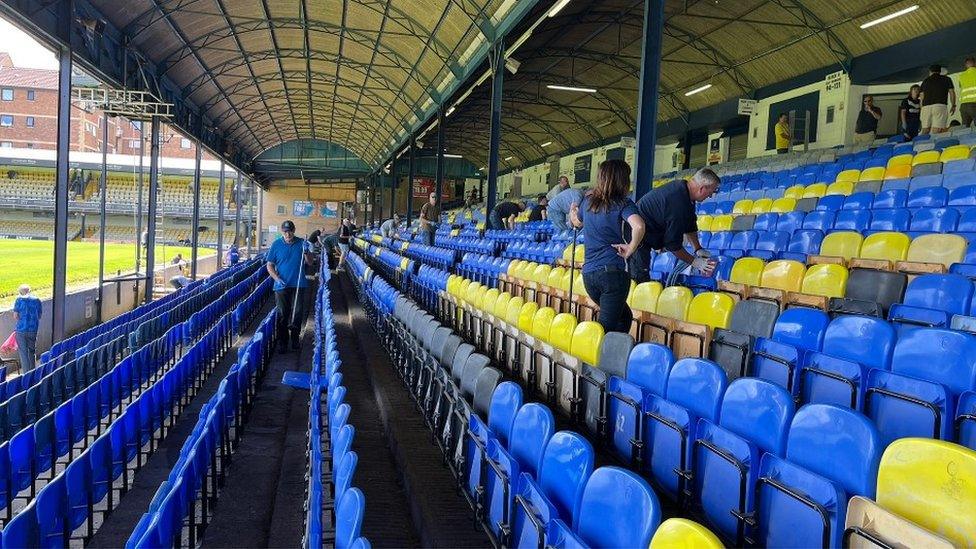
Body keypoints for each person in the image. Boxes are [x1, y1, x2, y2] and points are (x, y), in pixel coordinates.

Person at [568, 160, 645, 333]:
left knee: (624, 317)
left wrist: (573, 210)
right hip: (612, 275)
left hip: (589, 276)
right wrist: (630, 248)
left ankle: (615, 355)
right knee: (604, 329)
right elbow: (639, 226)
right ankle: (594, 358)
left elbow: (576, 222)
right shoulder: (623, 204)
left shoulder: (588, 203)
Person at [632, 168, 721, 285]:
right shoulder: (677, 203)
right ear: (702, 188)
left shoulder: (684, 189)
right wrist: (694, 262)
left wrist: (698, 248)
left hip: (651, 230)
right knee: (640, 276)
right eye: (711, 192)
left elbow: (690, 224)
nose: (710, 196)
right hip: (638, 235)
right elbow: (673, 245)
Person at [266, 220, 312, 352]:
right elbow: (269, 265)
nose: (288, 234)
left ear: (294, 230)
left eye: (290, 231)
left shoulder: (301, 244)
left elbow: (309, 262)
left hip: (299, 284)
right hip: (281, 285)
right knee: (282, 314)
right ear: (282, 231)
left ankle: (295, 338)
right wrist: (276, 278)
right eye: (285, 231)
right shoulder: (276, 245)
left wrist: (306, 252)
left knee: (297, 312)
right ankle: (283, 341)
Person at [919, 64, 956, 135]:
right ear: (940, 71)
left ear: (930, 71)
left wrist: (922, 108)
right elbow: (951, 92)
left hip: (926, 107)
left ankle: (922, 144)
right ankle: (934, 145)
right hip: (940, 106)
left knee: (925, 129)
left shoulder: (925, 81)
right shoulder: (946, 79)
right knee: (937, 130)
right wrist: (953, 105)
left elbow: (921, 96)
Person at [12, 284, 41, 372]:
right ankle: (32, 371)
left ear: (20, 292)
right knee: (32, 352)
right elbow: (39, 315)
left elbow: (15, 316)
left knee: (23, 353)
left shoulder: (19, 300)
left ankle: (26, 375)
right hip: (33, 329)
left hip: (21, 330)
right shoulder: (37, 300)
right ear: (30, 291)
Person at [961, 56, 976, 127]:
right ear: (975, 63)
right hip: (974, 103)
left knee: (964, 128)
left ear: (966, 65)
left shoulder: (961, 76)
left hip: (963, 106)